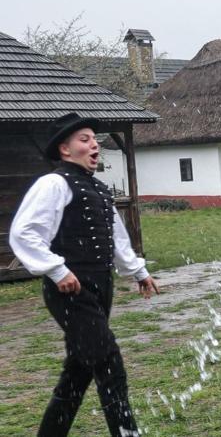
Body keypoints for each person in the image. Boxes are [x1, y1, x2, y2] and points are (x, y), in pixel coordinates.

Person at [9, 112, 160, 437]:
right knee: (109, 365)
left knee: (78, 373)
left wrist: (138, 272)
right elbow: (24, 233)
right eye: (85, 139)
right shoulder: (53, 183)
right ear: (65, 149)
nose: (95, 145)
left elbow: (118, 239)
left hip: (99, 287)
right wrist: (56, 269)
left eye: (94, 139)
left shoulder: (100, 191)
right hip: (70, 291)